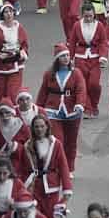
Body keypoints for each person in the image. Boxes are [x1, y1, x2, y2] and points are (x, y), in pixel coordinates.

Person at [36, 44, 88, 173]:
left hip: (72, 112)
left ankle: (69, 169)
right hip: (52, 110)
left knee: (71, 142)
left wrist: (80, 104)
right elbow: (43, 92)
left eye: (67, 55)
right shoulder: (49, 74)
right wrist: (38, 109)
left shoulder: (76, 73)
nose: (66, 58)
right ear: (57, 59)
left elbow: (81, 90)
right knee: (57, 140)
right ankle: (58, 166)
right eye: (62, 56)